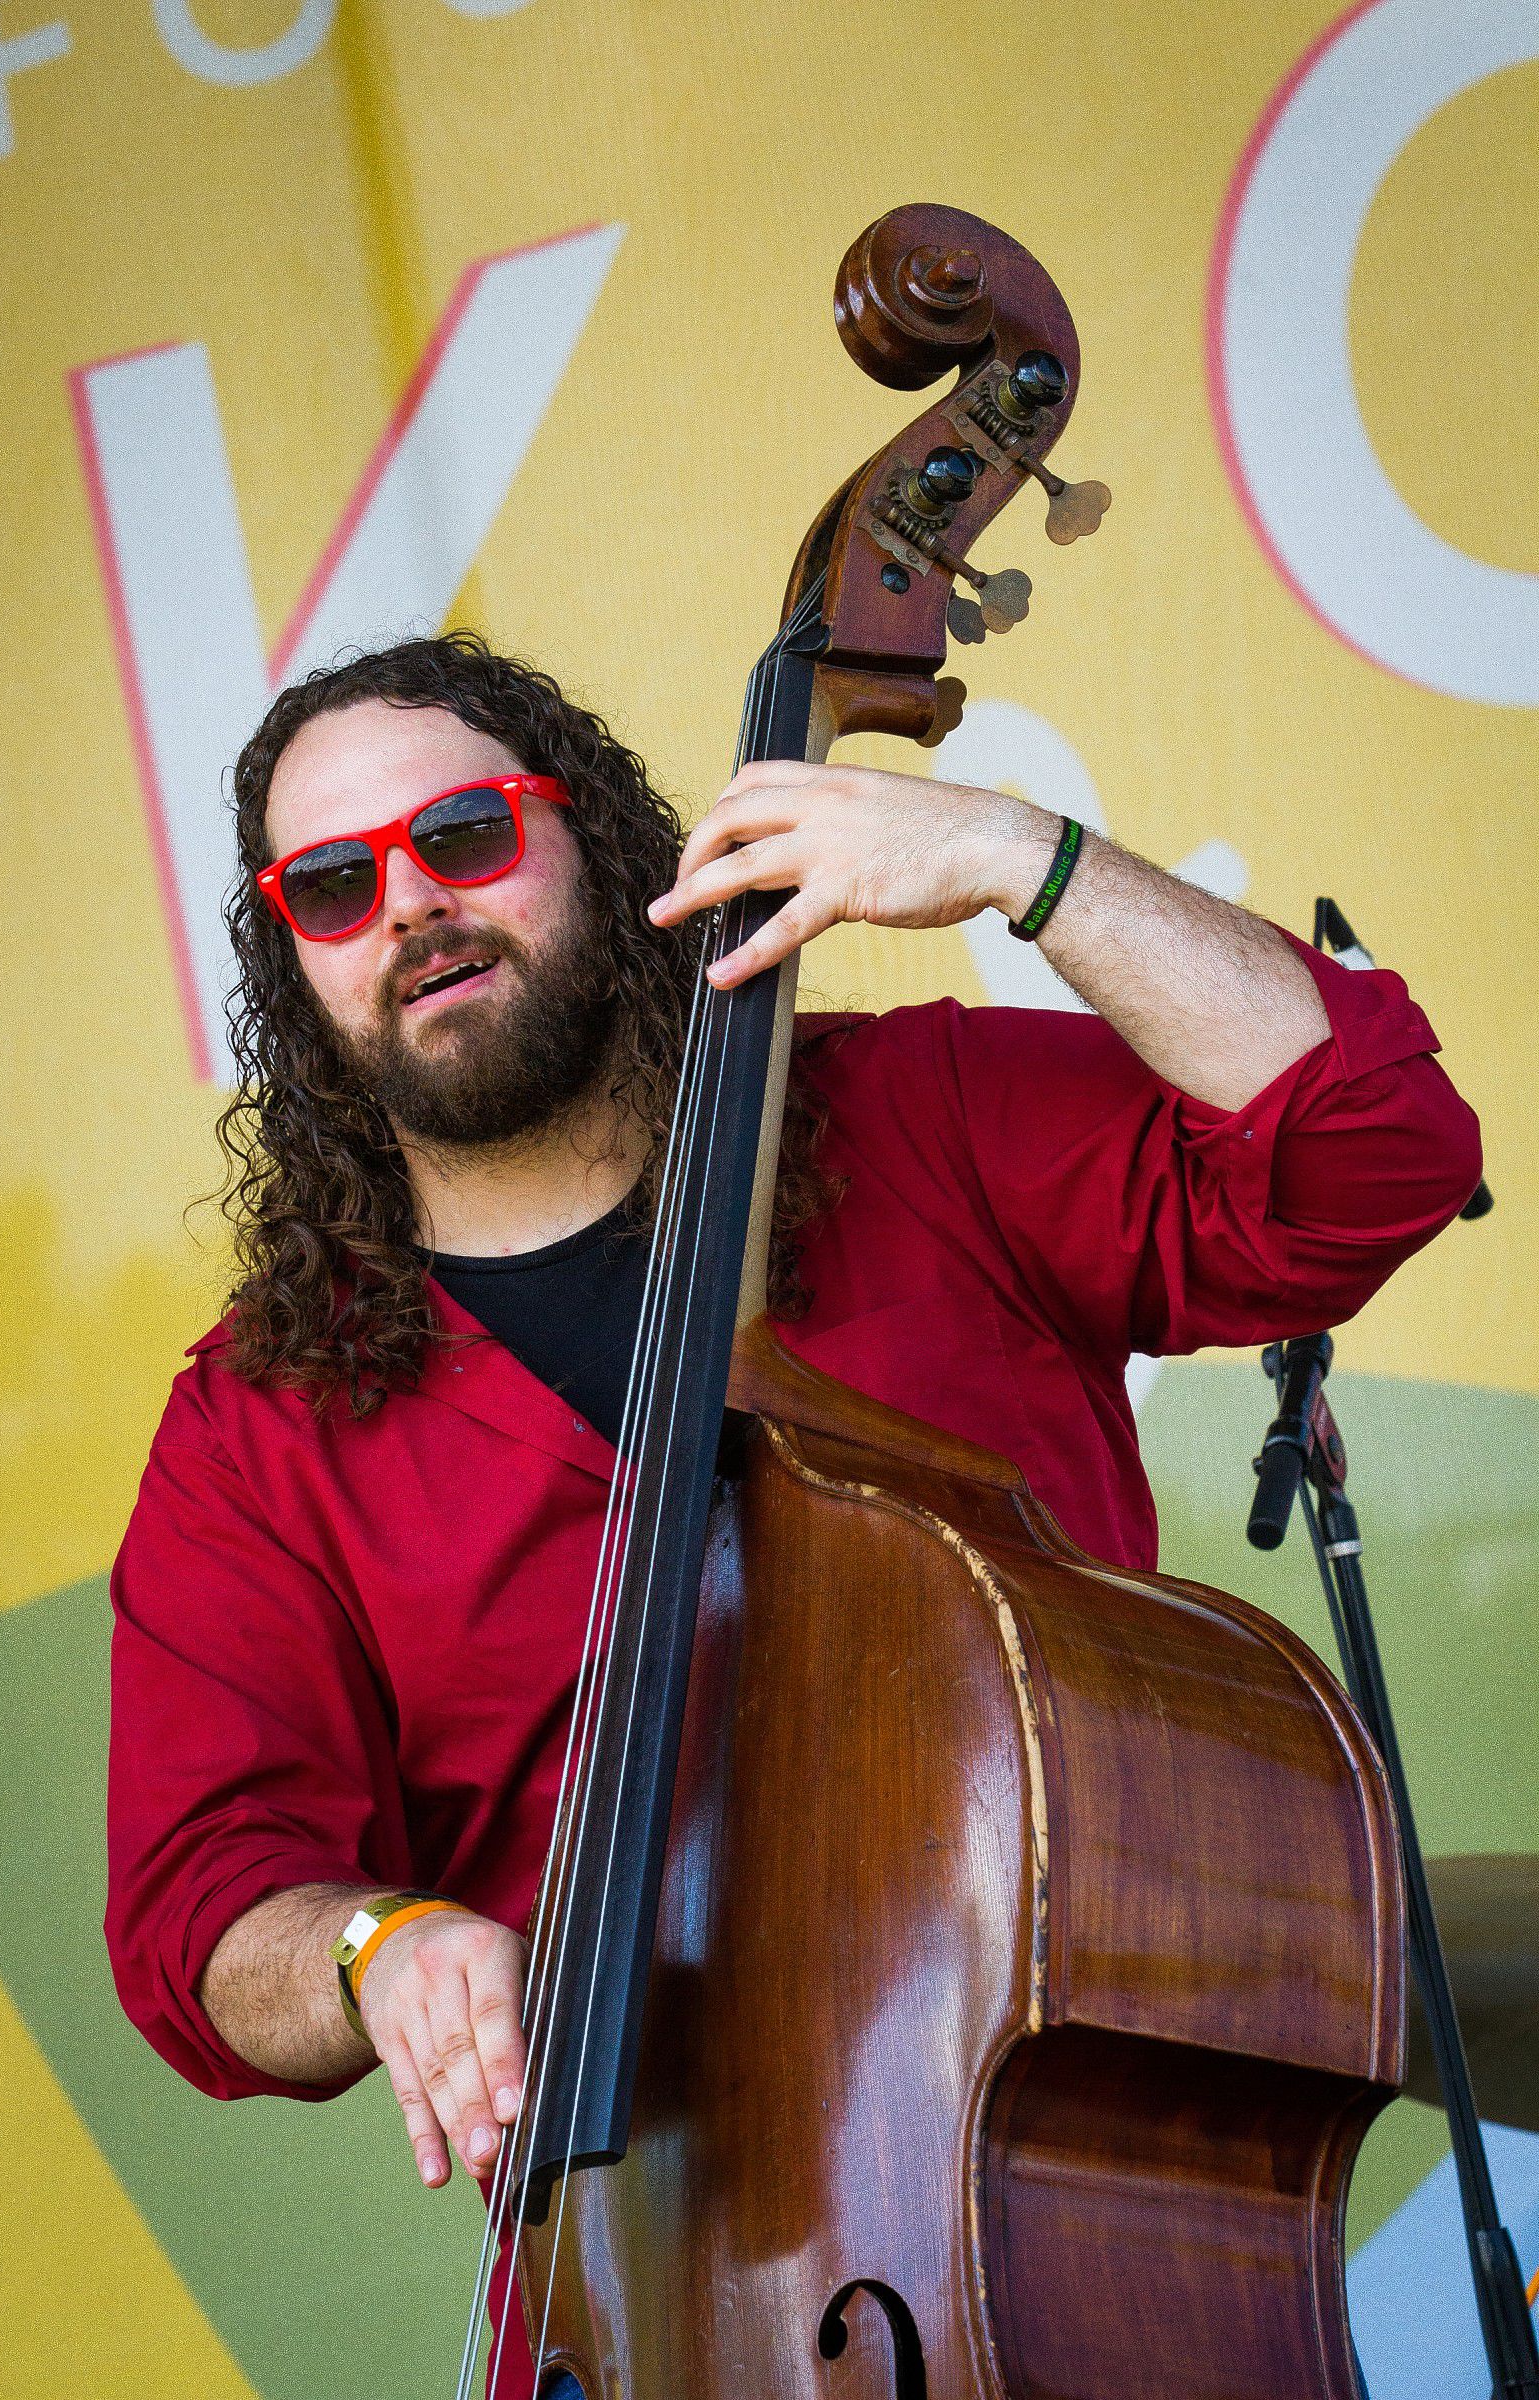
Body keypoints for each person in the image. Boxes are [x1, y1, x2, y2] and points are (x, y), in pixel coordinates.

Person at [107, 631, 1479, 2312]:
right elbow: (202, 1907)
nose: (406, 905)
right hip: (661, 2297)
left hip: (1082, 2239)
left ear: (594, 845)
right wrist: (375, 1946)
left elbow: (1370, 1153)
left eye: (462, 836)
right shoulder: (259, 1426)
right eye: (331, 883)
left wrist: (1013, 859)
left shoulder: (930, 1118)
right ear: (292, 964)